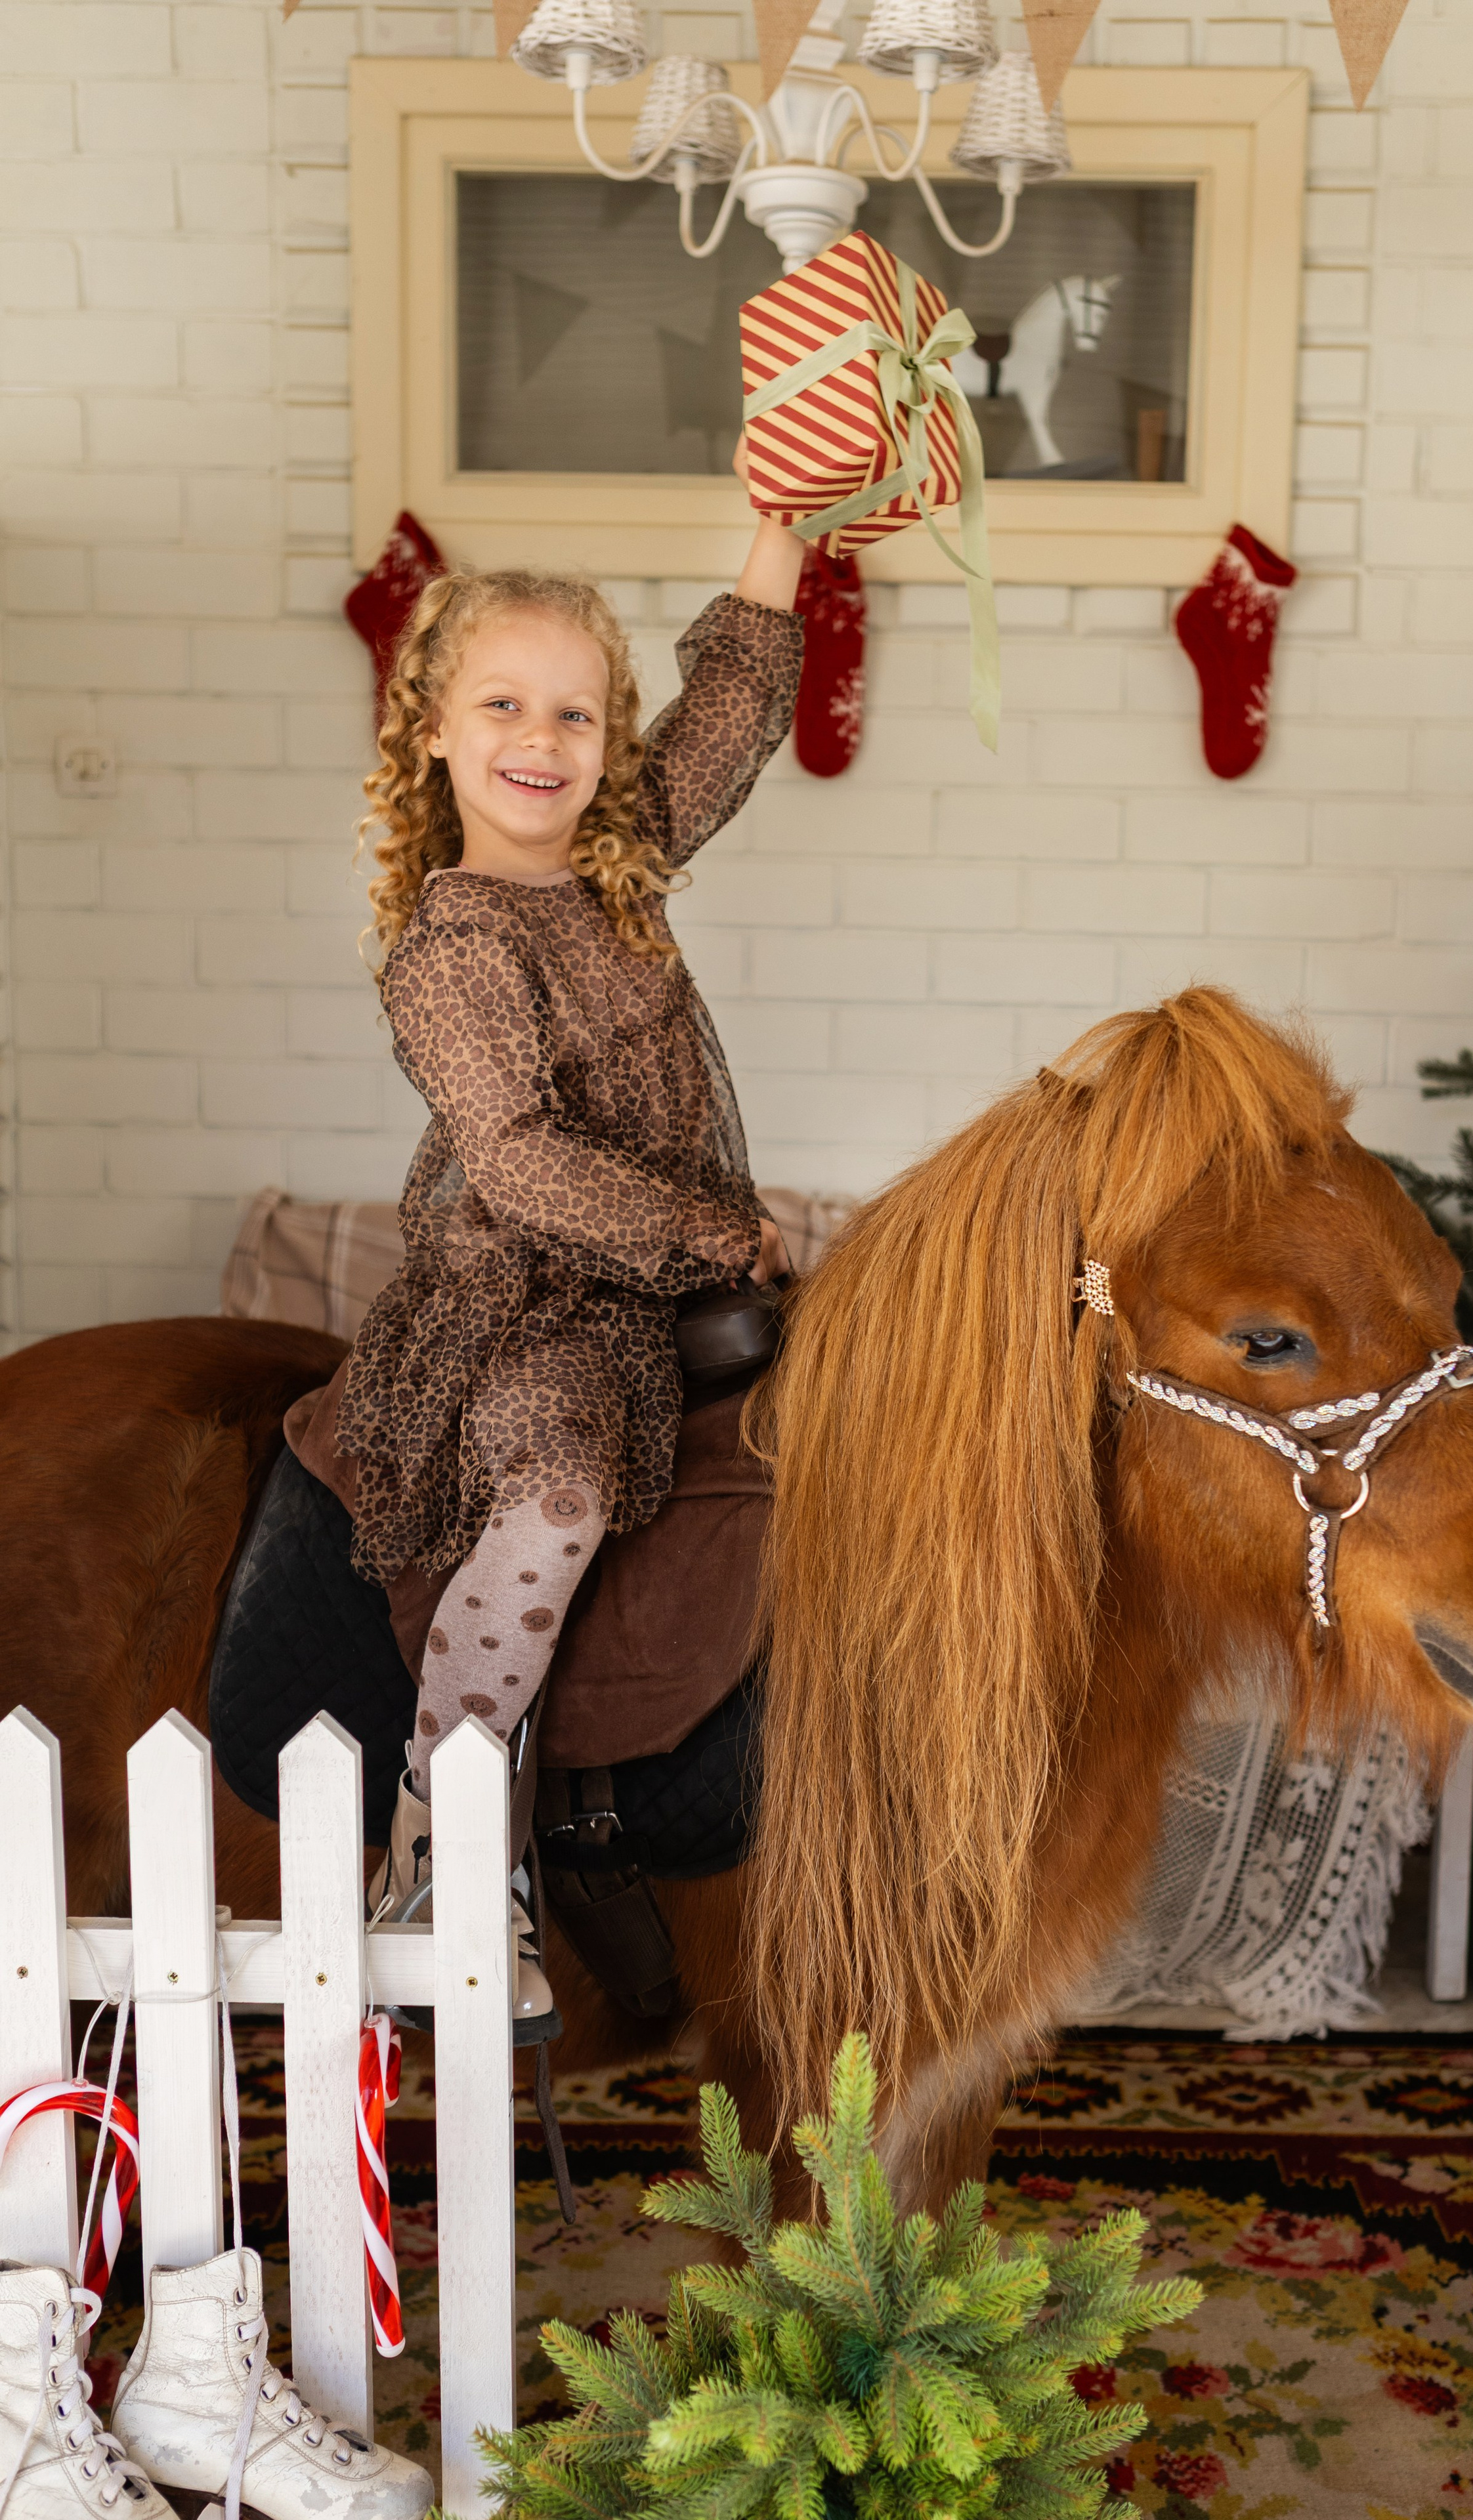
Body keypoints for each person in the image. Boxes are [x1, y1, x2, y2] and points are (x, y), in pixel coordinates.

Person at [337, 443, 805, 2009]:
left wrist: (782, 528)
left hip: (655, 1286)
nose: (540, 739)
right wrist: (706, 1230)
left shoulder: (618, 868)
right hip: (526, 1304)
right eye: (502, 706)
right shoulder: (449, 947)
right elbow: (521, 1157)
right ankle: (439, 1854)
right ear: (431, 736)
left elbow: (728, 727)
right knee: (553, 1489)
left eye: (574, 712)